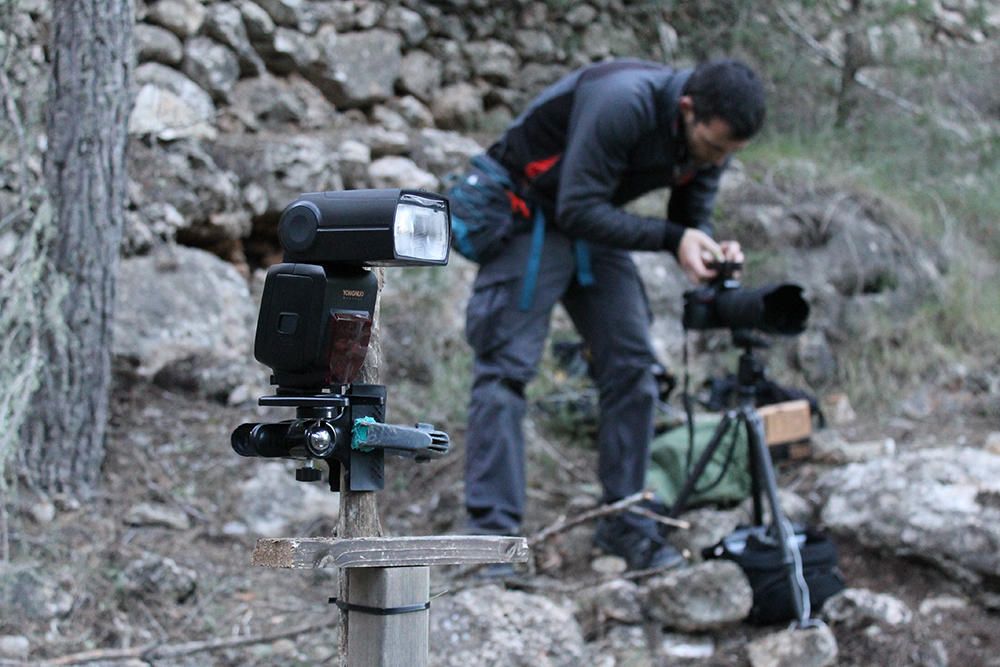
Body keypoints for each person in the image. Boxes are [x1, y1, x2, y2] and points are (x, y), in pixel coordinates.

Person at [456, 58, 766, 571]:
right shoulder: (622, 102)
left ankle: (625, 524)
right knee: (505, 372)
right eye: (714, 149)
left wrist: (704, 247)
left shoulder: (711, 138)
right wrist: (673, 239)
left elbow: (688, 218)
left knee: (634, 372)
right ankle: (491, 543)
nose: (717, 161)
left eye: (729, 154)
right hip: (529, 212)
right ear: (688, 109)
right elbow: (578, 205)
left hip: (589, 223)